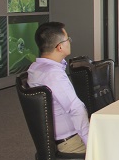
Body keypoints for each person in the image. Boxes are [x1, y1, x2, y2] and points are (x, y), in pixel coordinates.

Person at [27, 22, 89, 153]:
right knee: (118, 146)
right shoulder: (53, 74)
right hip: (70, 141)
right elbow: (76, 109)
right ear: (60, 47)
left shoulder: (35, 68)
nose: (70, 42)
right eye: (68, 39)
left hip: (58, 137)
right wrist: (91, 143)